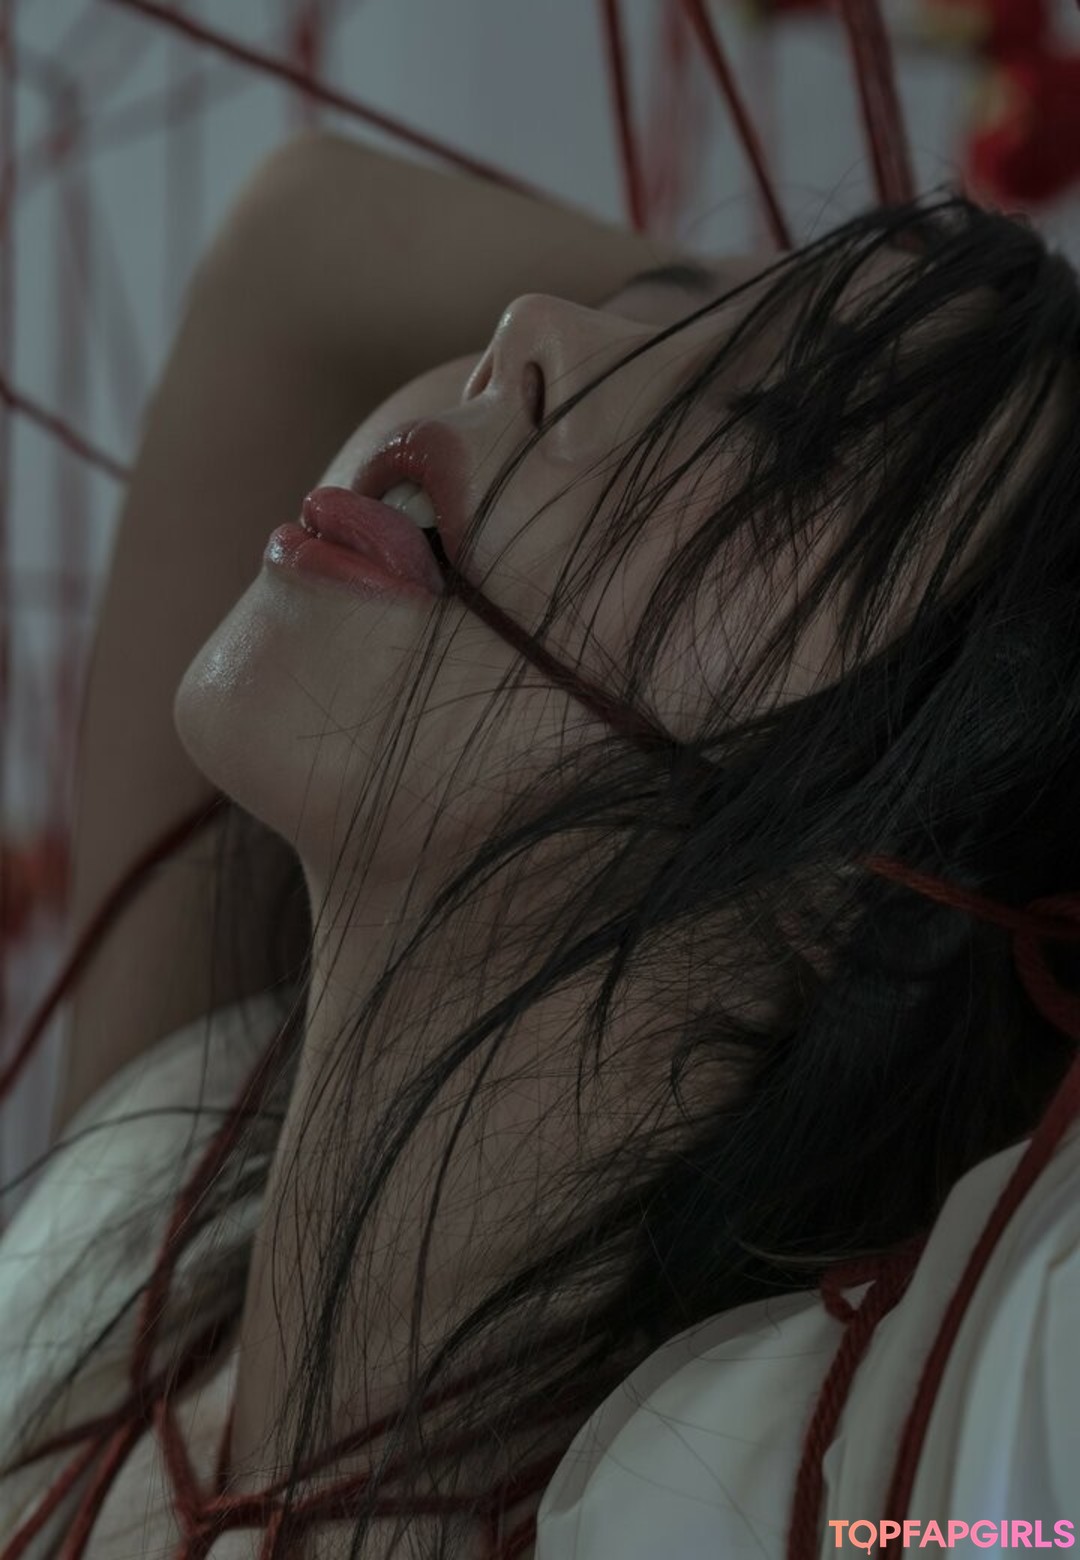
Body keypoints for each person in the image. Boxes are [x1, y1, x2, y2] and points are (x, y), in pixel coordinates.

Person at [0, 130, 1078, 1559]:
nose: (530, 324)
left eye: (783, 431)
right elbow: (298, 246)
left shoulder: (868, 1488)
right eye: (645, 313)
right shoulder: (135, 1222)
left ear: (905, 868)